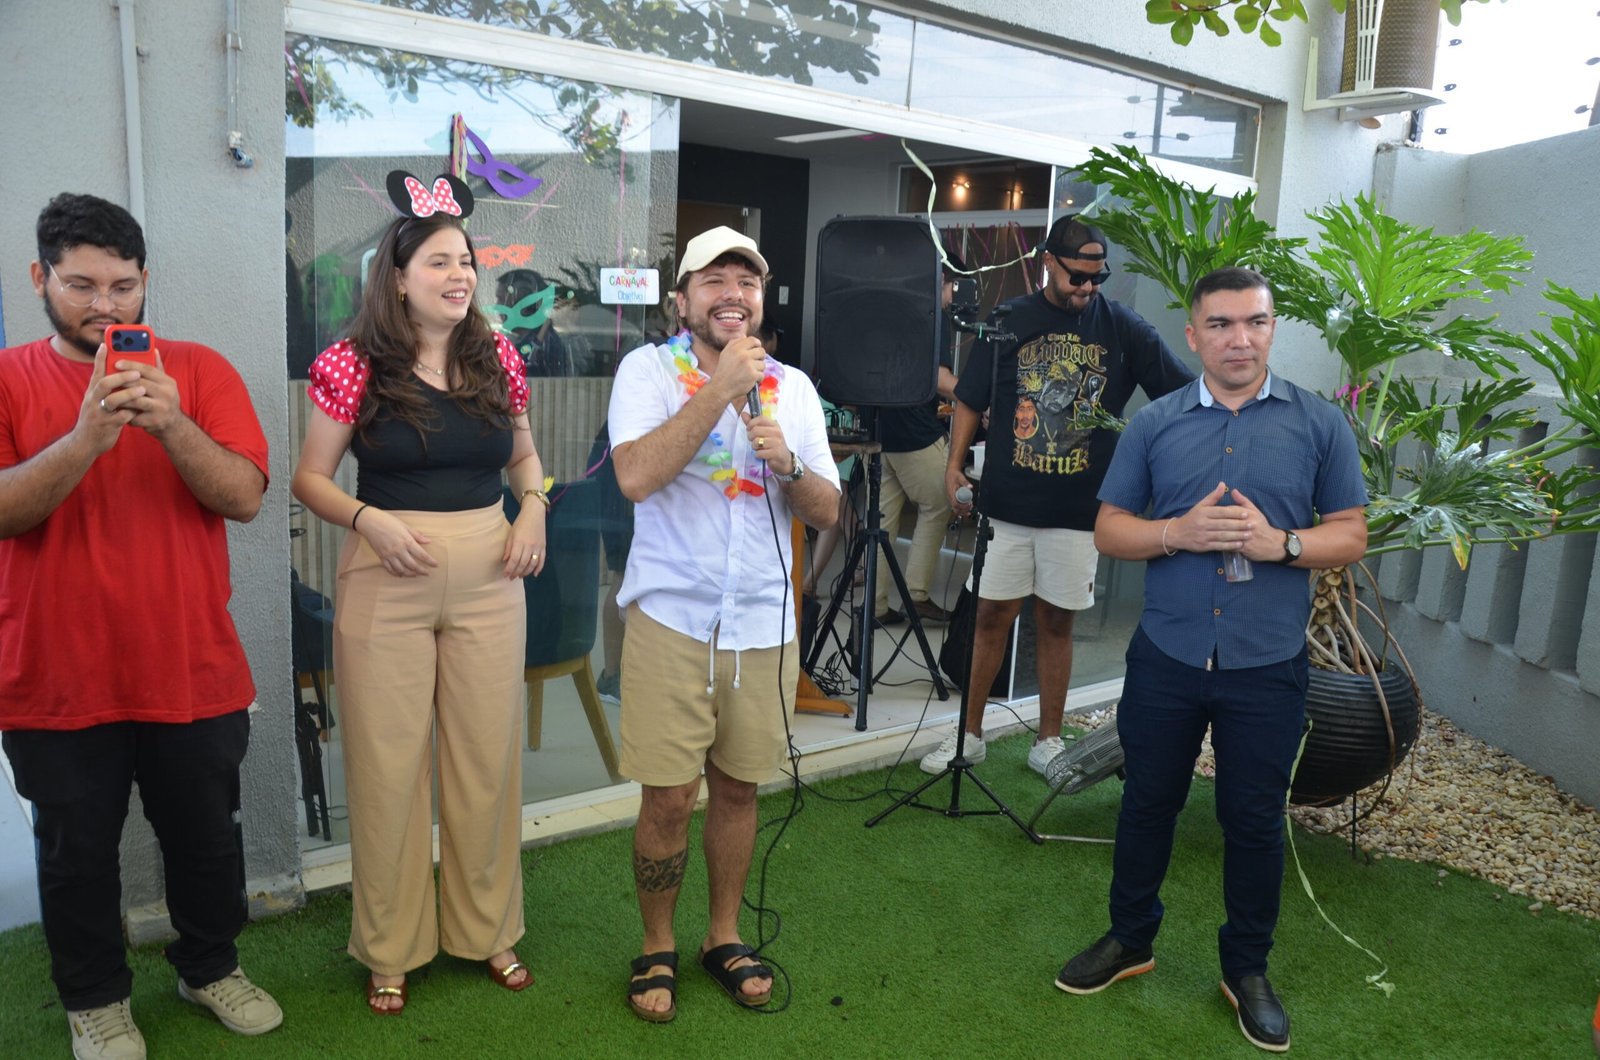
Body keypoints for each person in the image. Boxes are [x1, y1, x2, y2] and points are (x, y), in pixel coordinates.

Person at [1056, 267, 1369, 1053]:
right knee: (1146, 804)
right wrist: (1176, 533)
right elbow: (1110, 528)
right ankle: (1130, 938)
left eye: (1255, 322)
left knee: (1253, 820)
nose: (1240, 339)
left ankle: (1247, 970)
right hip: (1167, 655)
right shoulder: (1155, 425)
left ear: (1272, 329)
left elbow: (1350, 534)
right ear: (1194, 336)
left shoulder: (1319, 425)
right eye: (1222, 324)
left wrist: (1281, 545)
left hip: (1266, 664)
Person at [0, 193, 280, 1059]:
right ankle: (95, 1000)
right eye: (81, 285)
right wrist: (87, 437)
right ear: (40, 278)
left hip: (191, 666)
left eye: (122, 286)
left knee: (206, 842)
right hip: (54, 674)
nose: (104, 304)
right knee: (75, 855)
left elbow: (244, 496)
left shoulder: (198, 370)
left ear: (145, 280)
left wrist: (170, 424)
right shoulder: (8, 378)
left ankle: (210, 967)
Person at [290, 190, 546, 1016]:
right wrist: (368, 520)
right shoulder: (352, 362)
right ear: (397, 278)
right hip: (385, 572)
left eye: (466, 260)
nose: (459, 274)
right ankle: (391, 947)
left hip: (490, 574)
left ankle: (488, 930)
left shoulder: (496, 355)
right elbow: (309, 479)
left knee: (486, 760)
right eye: (439, 261)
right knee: (387, 766)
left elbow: (524, 457)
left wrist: (535, 507)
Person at [609, 226, 839, 1022]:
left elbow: (828, 509)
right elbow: (635, 476)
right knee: (670, 798)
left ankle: (723, 936)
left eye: (747, 280)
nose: (732, 293)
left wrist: (789, 466)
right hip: (673, 619)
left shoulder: (794, 390)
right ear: (682, 301)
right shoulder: (647, 372)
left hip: (762, 625)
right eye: (713, 279)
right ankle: (656, 944)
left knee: (738, 790)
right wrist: (718, 391)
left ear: (761, 300)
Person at [932, 215, 1193, 777]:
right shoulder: (1009, 320)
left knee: (1056, 623)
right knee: (990, 618)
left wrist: (1149, 463)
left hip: (1079, 513)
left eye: (1098, 278)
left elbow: (1181, 397)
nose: (1088, 288)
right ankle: (969, 735)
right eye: (1078, 276)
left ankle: (1047, 740)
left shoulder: (1124, 328)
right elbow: (971, 399)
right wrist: (953, 467)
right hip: (1006, 506)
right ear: (1048, 263)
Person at [871, 262, 961, 627]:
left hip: (880, 430)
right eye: (952, 288)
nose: (952, 298)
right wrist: (975, 399)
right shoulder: (933, 317)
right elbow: (940, 379)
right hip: (914, 431)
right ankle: (917, 596)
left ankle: (876, 605)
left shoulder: (888, 314)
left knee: (880, 522)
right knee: (941, 500)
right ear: (942, 281)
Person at [494, 268, 576, 376]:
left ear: (523, 302)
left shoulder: (544, 346)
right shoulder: (525, 342)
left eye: (501, 299)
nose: (496, 306)